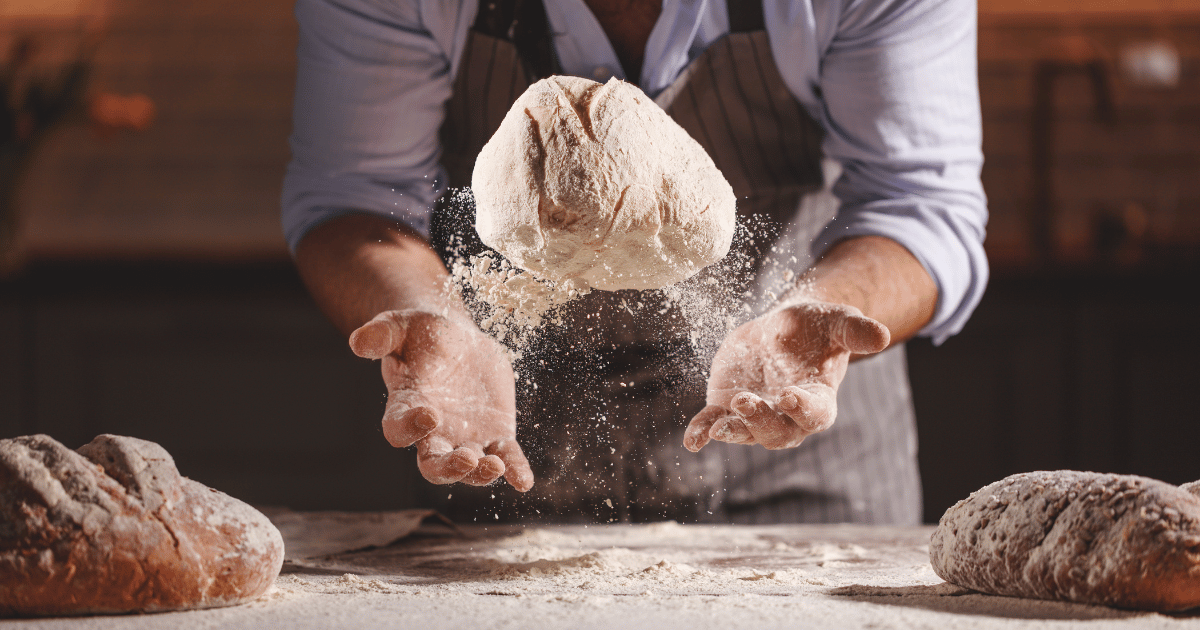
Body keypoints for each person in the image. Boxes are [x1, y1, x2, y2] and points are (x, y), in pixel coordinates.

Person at [282, 0, 988, 524]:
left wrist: (815, 319)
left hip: (796, 449)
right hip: (500, 454)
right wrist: (433, 320)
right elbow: (356, 199)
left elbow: (919, 204)